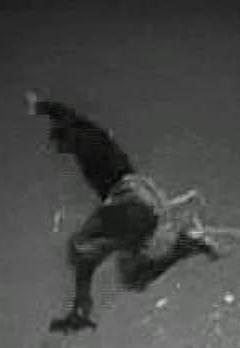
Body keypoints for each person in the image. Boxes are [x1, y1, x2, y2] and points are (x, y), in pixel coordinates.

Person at [27, 91, 220, 333]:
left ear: (66, 135)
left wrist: (41, 106)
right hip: (145, 205)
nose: (59, 150)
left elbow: (70, 117)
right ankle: (186, 246)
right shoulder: (90, 149)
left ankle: (81, 309)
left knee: (79, 248)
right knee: (133, 277)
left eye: (59, 143)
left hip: (130, 195)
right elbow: (151, 208)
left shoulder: (87, 137)